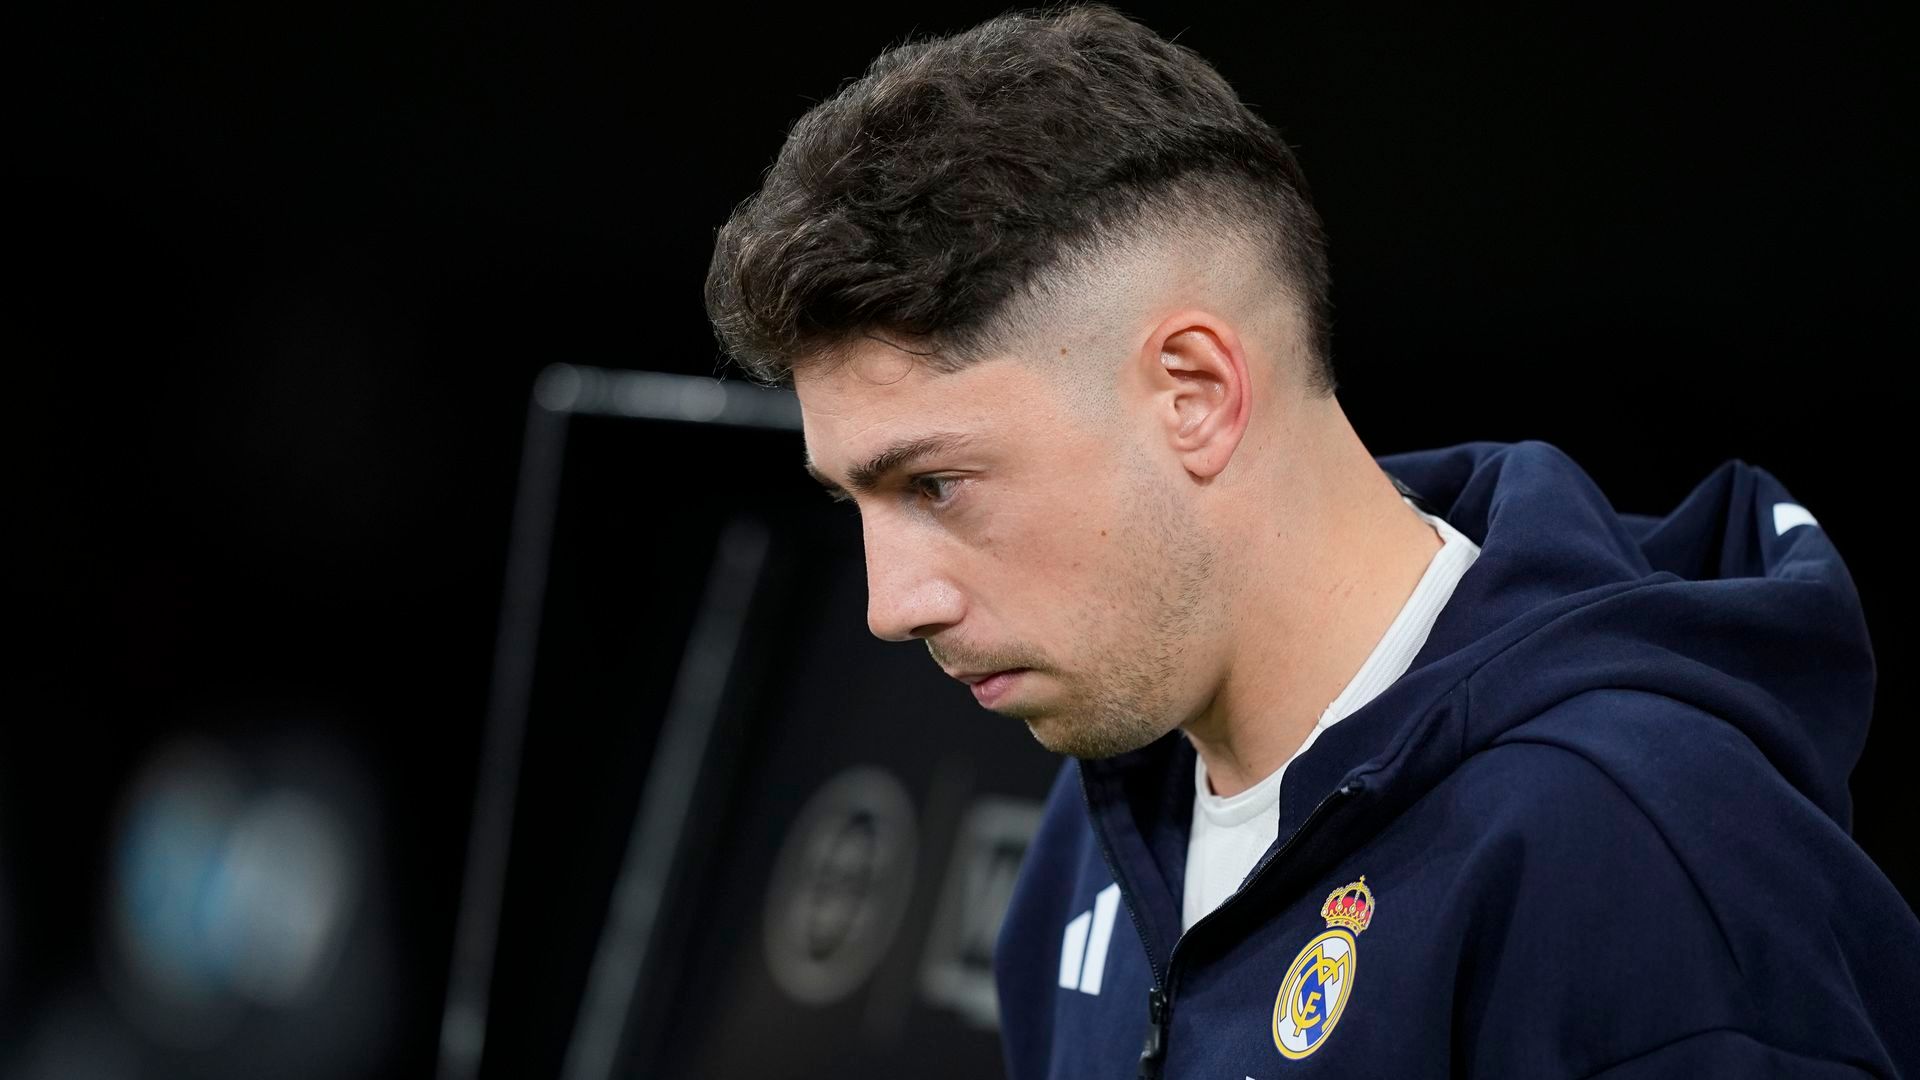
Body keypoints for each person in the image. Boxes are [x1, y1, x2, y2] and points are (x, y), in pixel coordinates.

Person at [703, 6, 1920, 1077]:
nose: (890, 604)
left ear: (1194, 393)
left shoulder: (1631, 853)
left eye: (934, 484)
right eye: (854, 503)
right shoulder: (1102, 824)